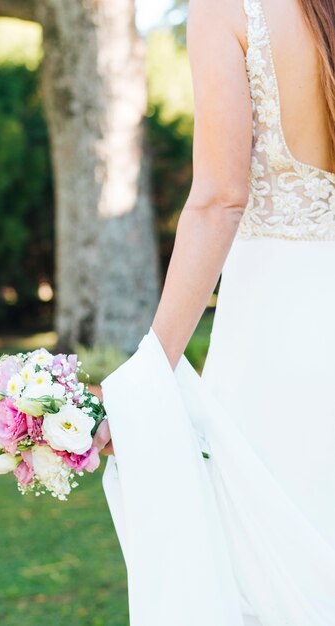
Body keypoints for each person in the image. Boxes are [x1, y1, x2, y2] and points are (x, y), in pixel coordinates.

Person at [92, 0, 335, 624]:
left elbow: (220, 200)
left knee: (272, 562)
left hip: (276, 335)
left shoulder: (228, 8)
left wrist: (152, 372)